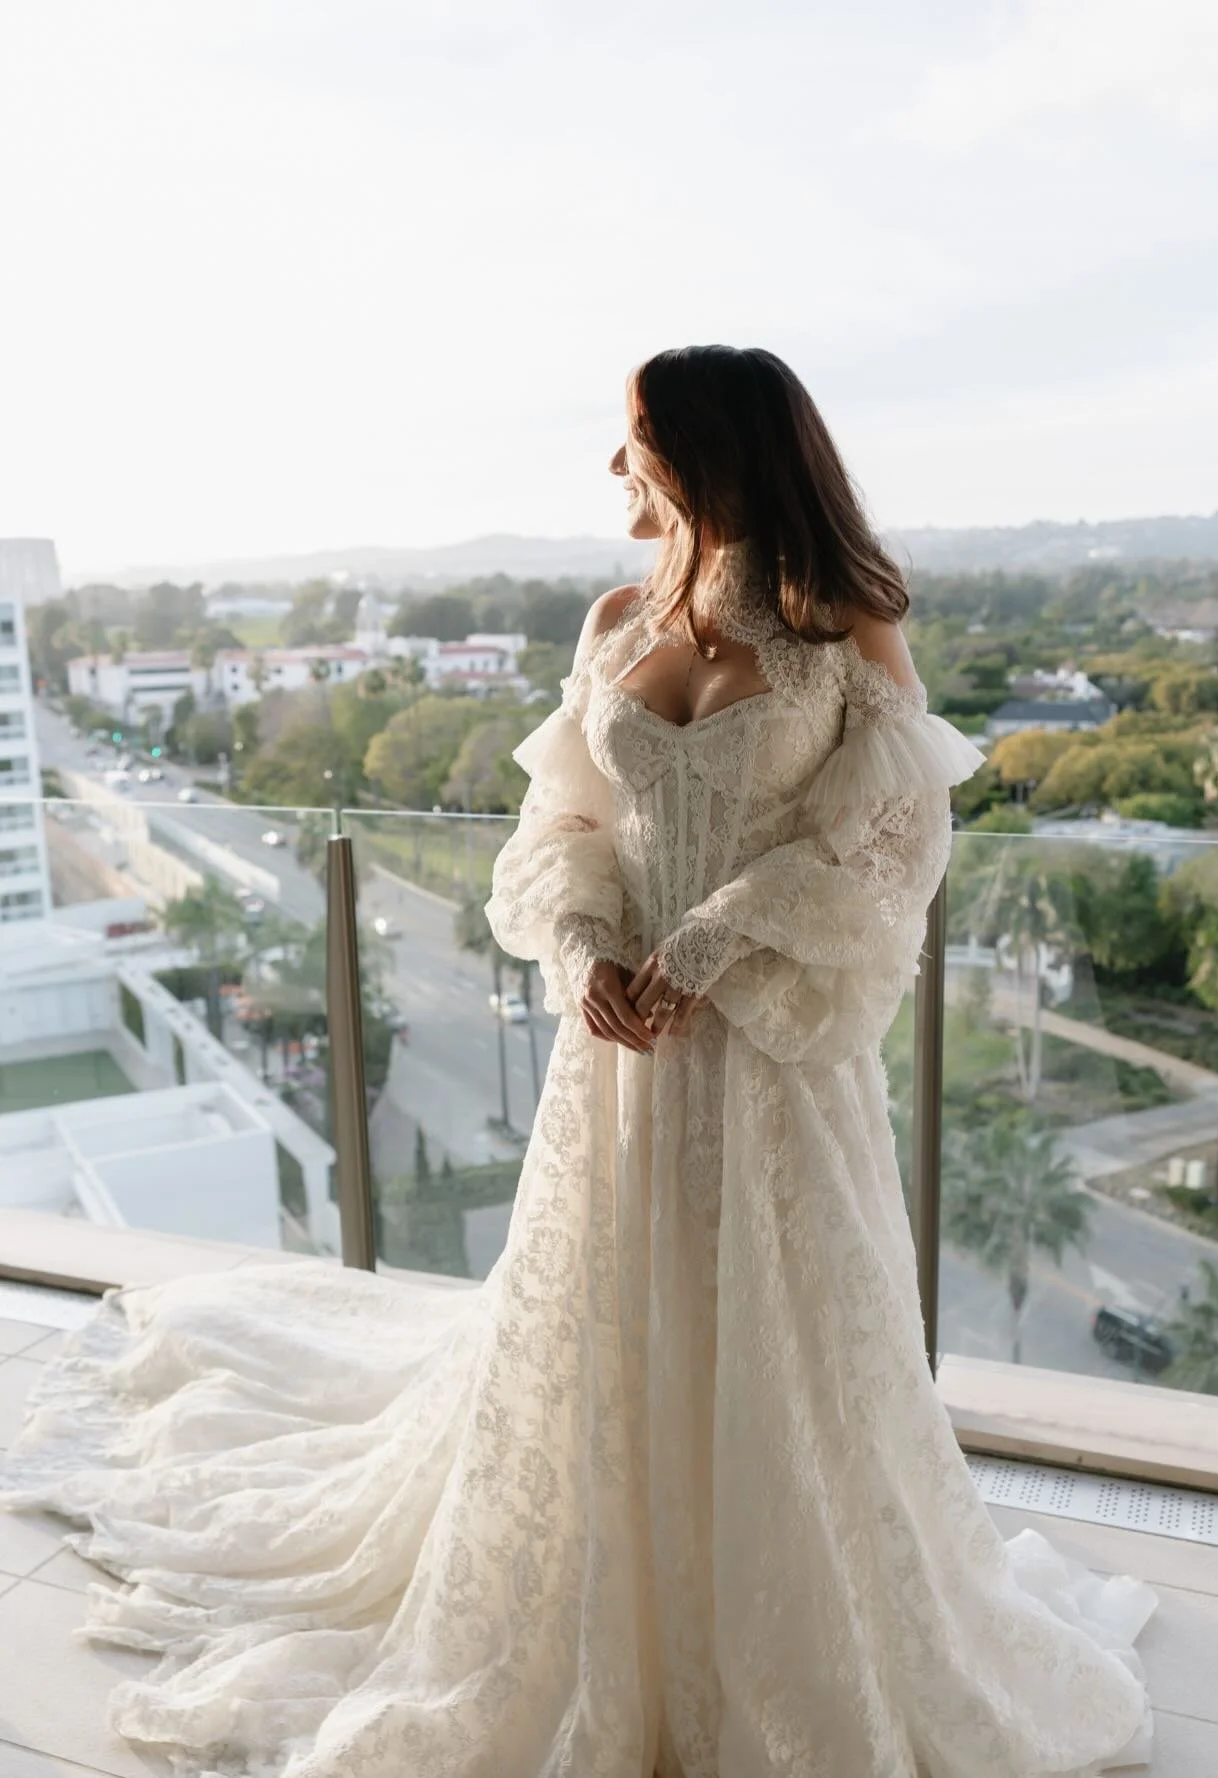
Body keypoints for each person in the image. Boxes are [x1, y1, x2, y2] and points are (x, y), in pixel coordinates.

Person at [1, 345, 1157, 1778]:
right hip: (615, 1056)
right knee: (602, 1335)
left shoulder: (842, 624)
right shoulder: (612, 621)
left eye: (635, 443)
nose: (616, 469)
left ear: (708, 455)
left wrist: (724, 933)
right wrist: (587, 945)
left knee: (781, 1349)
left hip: (766, 1066)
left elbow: (894, 843)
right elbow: (563, 828)